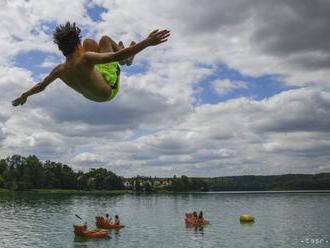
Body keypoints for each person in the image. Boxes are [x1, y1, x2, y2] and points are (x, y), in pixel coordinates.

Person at [12, 22, 170, 106]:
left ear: (61, 50)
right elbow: (117, 55)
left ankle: (124, 57)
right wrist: (147, 42)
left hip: (93, 93)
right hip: (109, 89)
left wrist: (24, 96)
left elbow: (41, 86)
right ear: (78, 46)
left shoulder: (59, 70)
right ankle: (127, 61)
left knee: (90, 41)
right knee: (105, 40)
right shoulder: (86, 58)